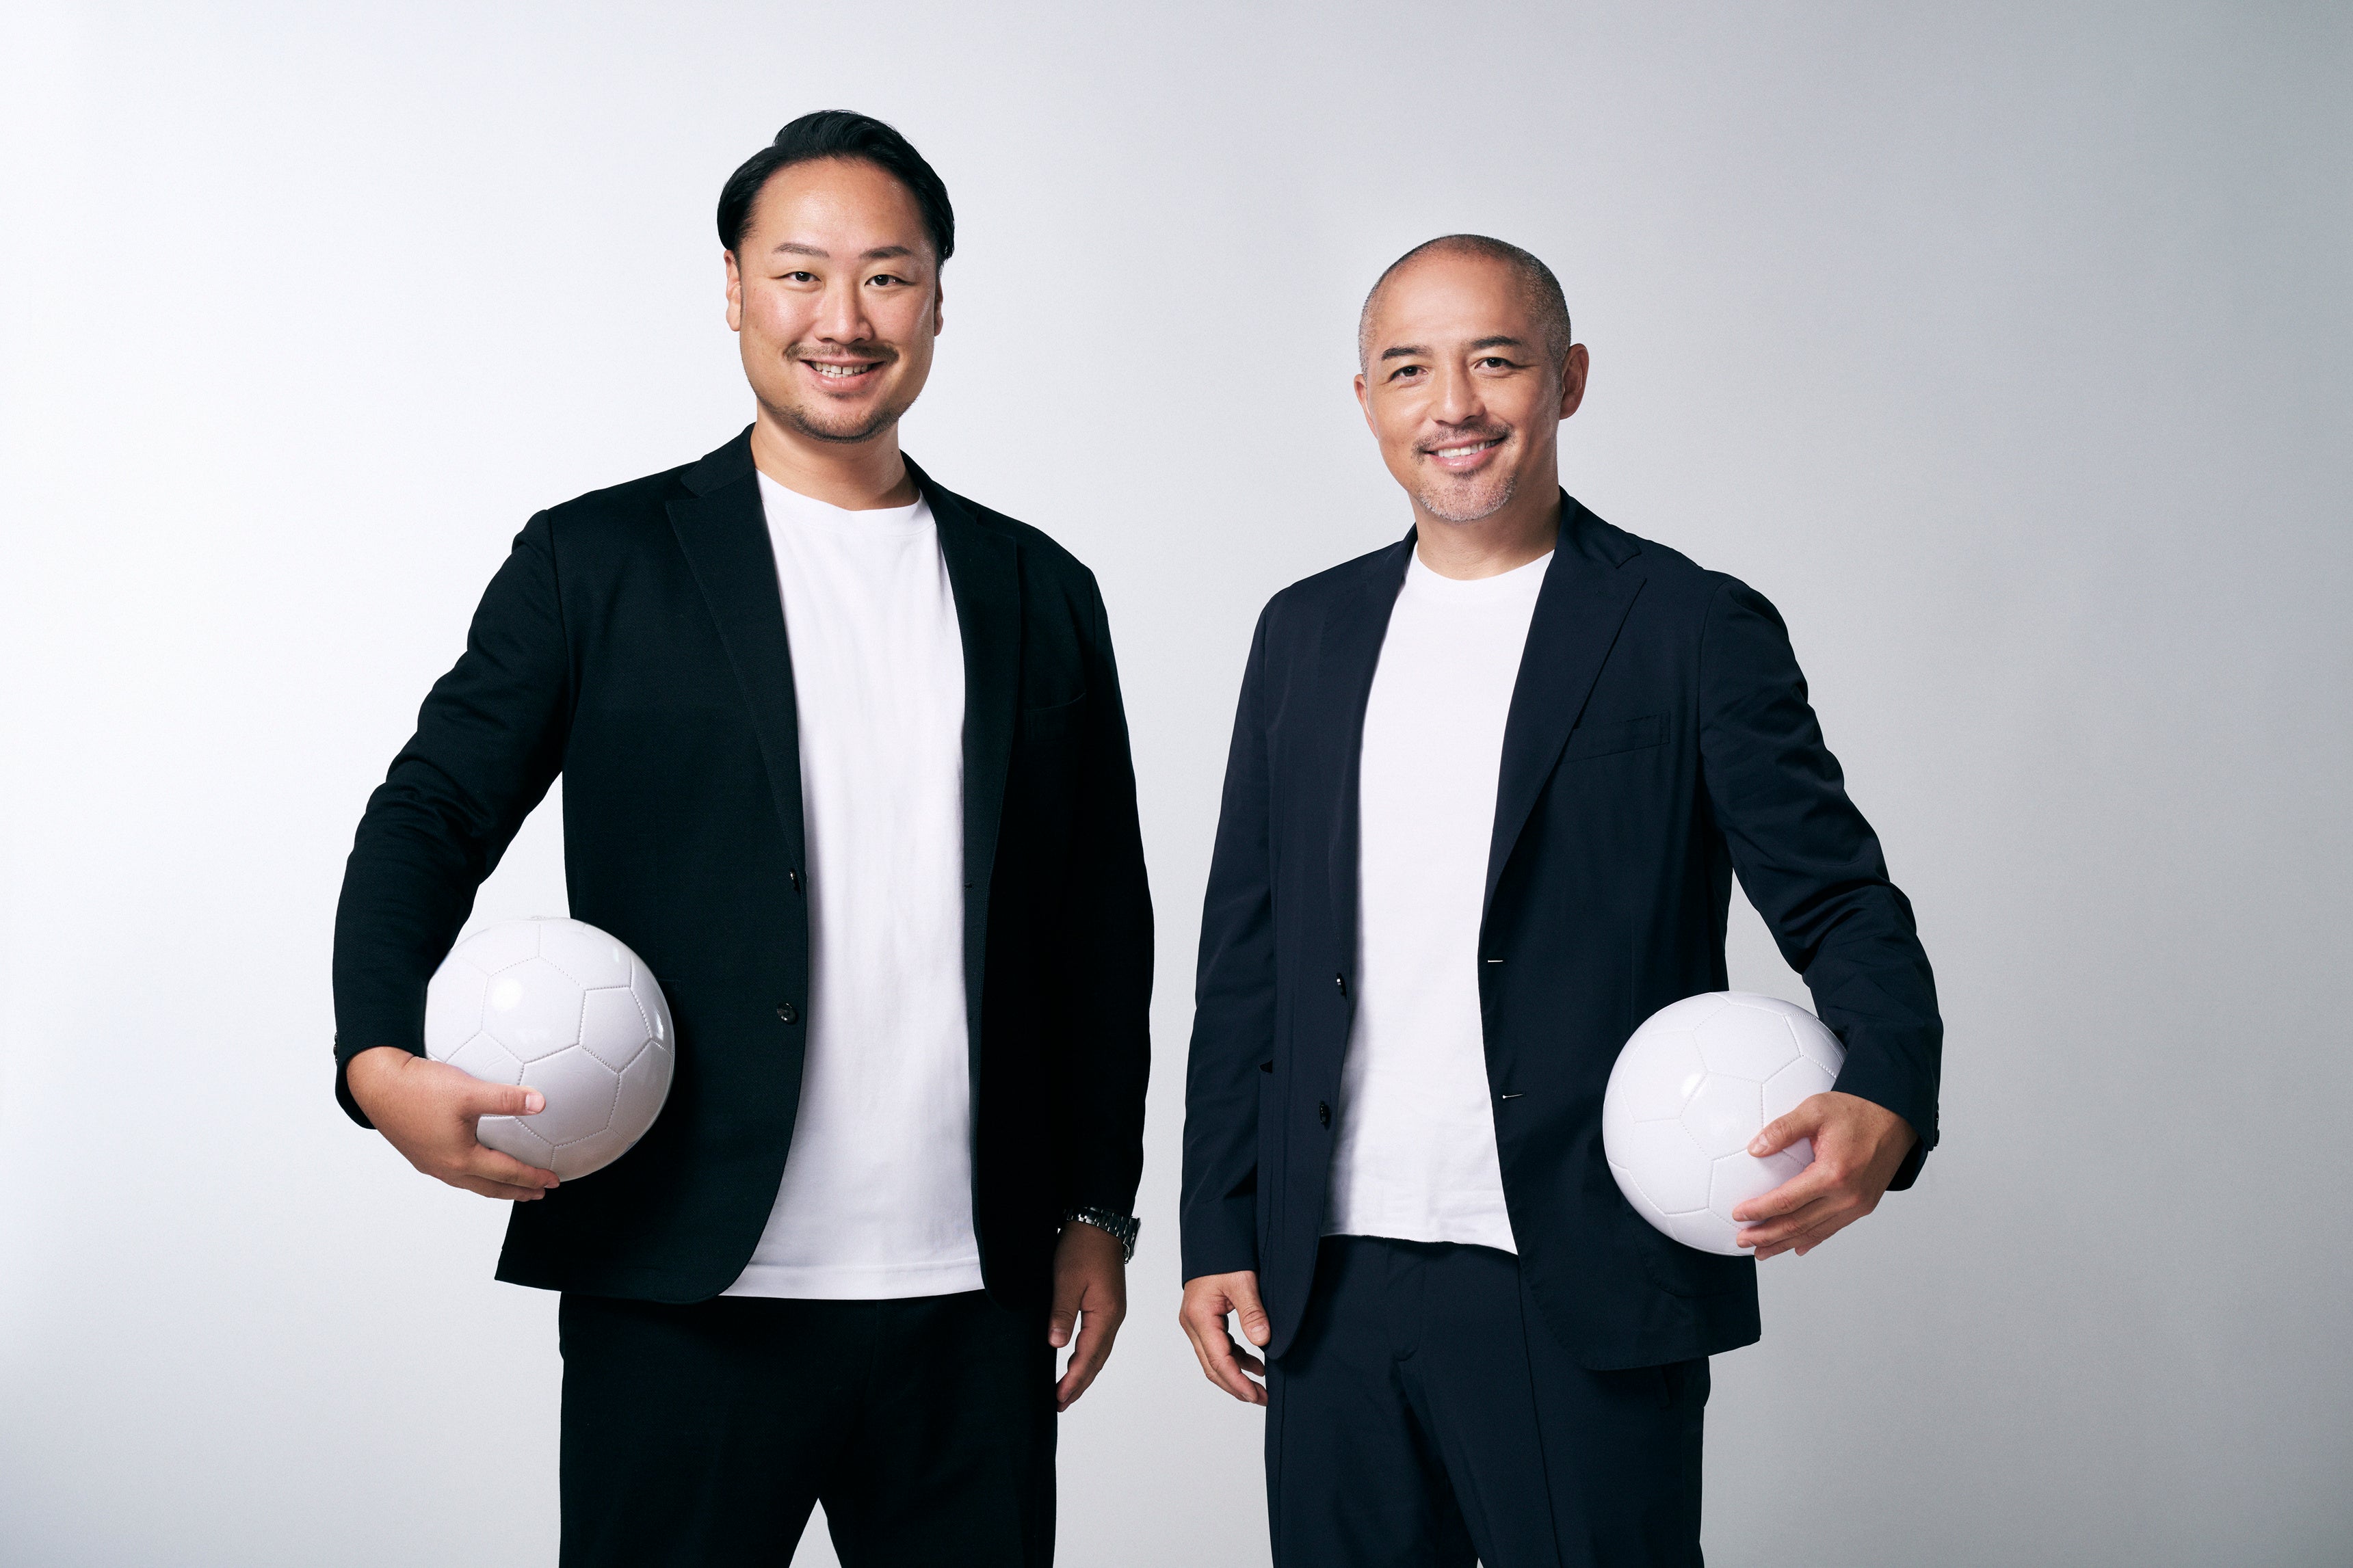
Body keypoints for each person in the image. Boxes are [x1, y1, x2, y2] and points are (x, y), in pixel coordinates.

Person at [332, 111, 1152, 1567]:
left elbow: (1102, 928)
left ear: (939, 301)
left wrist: (1097, 1204)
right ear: (732, 288)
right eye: (800, 273)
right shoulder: (598, 561)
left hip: (971, 1299)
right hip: (682, 1287)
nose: (845, 318)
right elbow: (430, 813)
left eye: (888, 276)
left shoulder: (1039, 588)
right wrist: (375, 1056)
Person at [1176, 235, 1941, 1566]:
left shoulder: (1688, 624)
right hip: (1328, 1276)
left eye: (1496, 361)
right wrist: (1215, 1220)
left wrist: (1889, 1084)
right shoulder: (1303, 632)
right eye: (1409, 370)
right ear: (1364, 399)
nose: (1453, 405)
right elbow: (1246, 954)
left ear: (1567, 378)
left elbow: (1836, 898)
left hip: (1580, 1269)